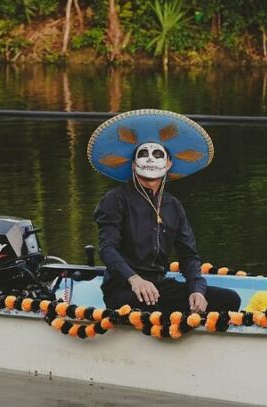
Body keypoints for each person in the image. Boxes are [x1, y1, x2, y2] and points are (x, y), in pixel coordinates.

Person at [88, 110, 240, 315]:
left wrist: (197, 290)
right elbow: (107, 249)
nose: (150, 160)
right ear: (133, 164)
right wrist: (134, 279)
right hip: (125, 289)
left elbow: (189, 255)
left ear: (169, 163)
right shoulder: (115, 199)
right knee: (149, 305)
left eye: (157, 154)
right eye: (143, 154)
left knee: (228, 299)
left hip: (160, 287)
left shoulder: (173, 205)